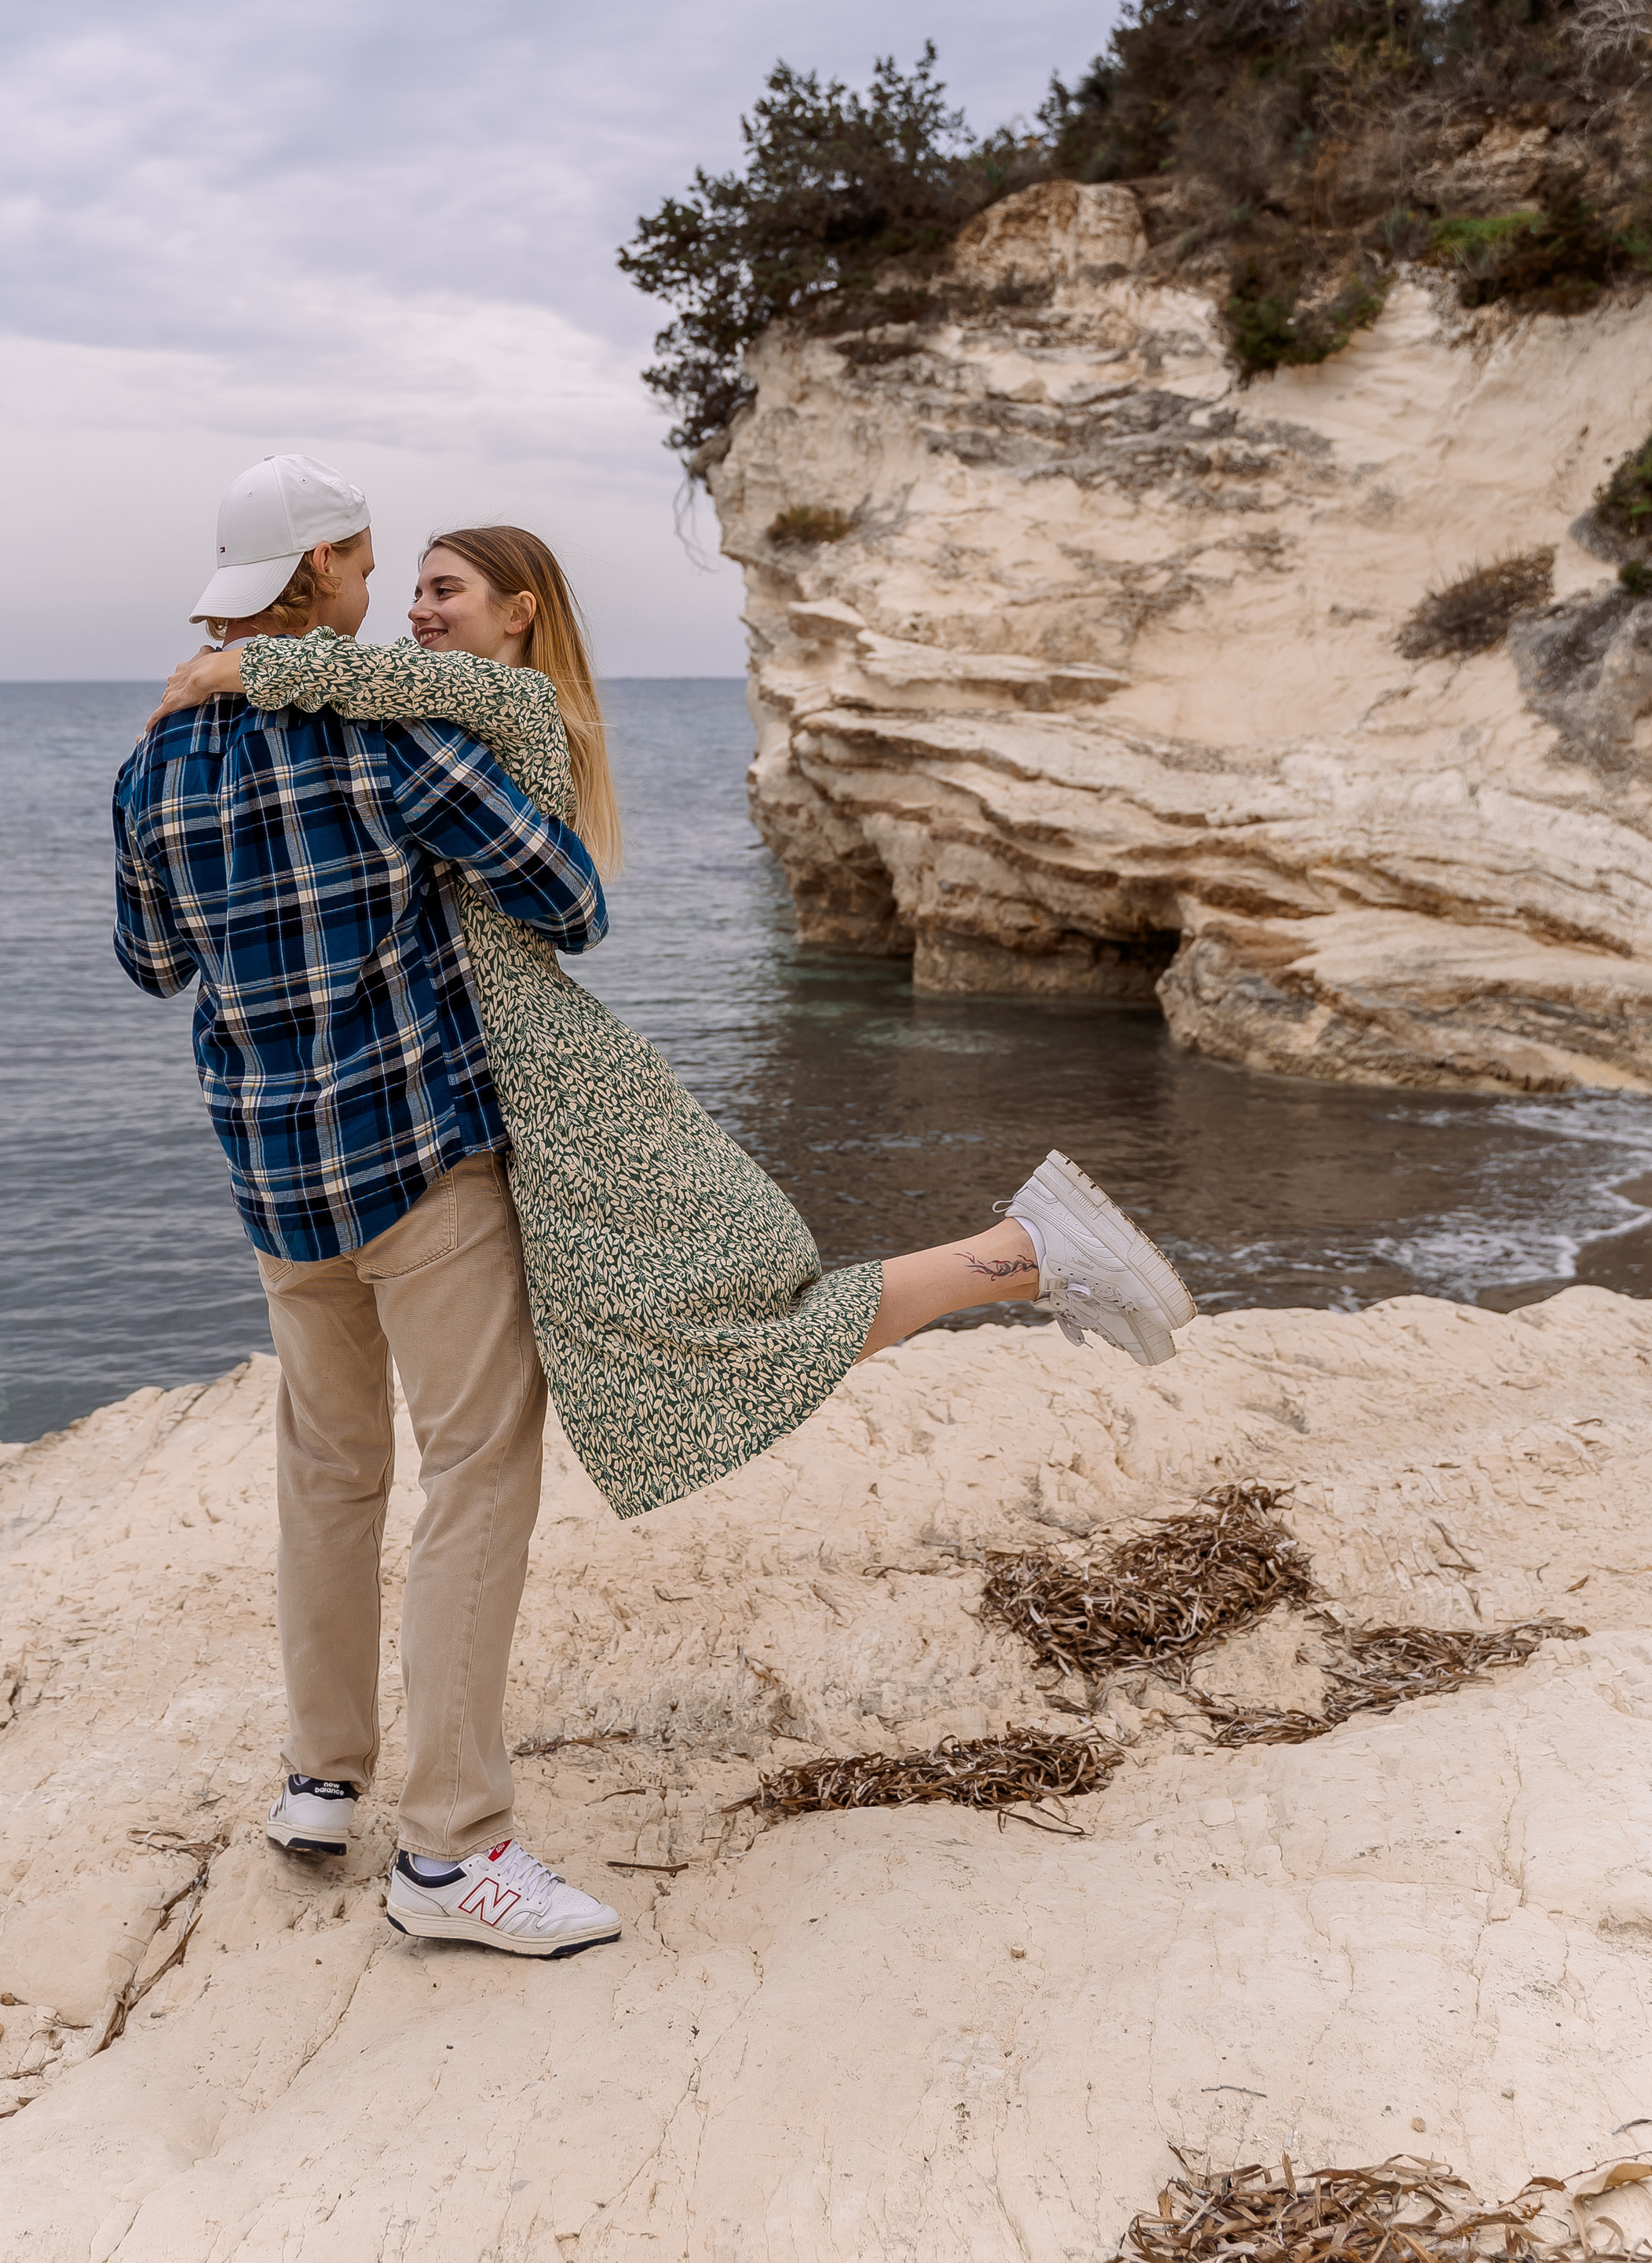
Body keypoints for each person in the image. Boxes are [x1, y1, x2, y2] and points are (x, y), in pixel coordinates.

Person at [149, 506, 1197, 1548]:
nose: (416, 611)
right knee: (648, 1350)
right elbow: (379, 704)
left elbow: (379, 694)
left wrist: (232, 670)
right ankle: (1029, 1253)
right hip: (505, 1075)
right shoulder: (432, 721)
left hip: (542, 1073)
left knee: (712, 1336)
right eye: (412, 589)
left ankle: (1024, 1251)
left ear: (519, 613)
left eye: (443, 590)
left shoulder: (506, 698)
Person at [115, 455, 627, 1961]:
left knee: (329, 1471)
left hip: (275, 1179)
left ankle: (321, 1782)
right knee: (476, 1468)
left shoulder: (155, 760)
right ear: (323, 570)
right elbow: (570, 901)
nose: (380, 588)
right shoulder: (388, 735)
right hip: (418, 1162)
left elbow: (152, 964)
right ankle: (453, 1852)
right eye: (364, 559)